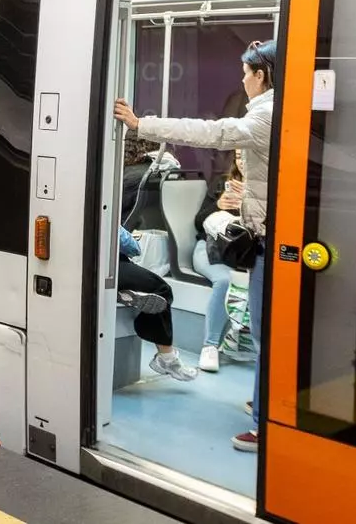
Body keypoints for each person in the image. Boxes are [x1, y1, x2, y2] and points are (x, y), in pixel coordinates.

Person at [115, 39, 276, 452]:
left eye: (246, 73)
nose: (243, 80)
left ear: (261, 76)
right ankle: (265, 402)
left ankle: (266, 424)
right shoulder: (280, 112)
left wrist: (140, 124)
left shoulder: (265, 116)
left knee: (266, 336)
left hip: (267, 239)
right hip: (264, 234)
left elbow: (209, 133)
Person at [117, 226, 198, 382]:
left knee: (148, 290)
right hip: (110, 263)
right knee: (161, 290)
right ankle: (167, 358)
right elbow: (132, 247)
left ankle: (121, 292)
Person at [193, 151, 245, 373]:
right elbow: (198, 222)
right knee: (225, 281)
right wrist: (218, 205)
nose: (242, 162)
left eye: (247, 156)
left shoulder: (266, 190)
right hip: (211, 249)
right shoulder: (223, 183)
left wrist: (248, 205)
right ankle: (210, 346)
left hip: (244, 254)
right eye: (239, 156)